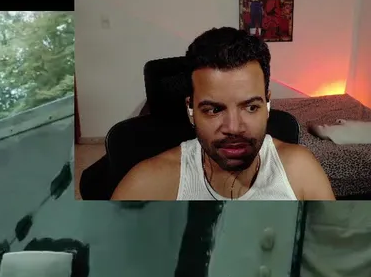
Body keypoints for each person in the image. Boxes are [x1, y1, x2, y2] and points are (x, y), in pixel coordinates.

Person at [111, 26, 335, 202]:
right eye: (214, 110)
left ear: (267, 104)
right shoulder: (149, 184)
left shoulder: (300, 171)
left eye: (250, 107)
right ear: (191, 109)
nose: (234, 127)